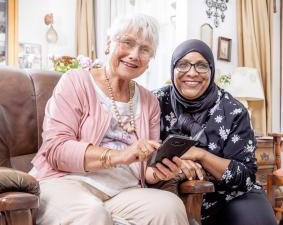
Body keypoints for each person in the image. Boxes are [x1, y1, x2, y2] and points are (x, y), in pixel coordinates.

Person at [30, 13, 189, 225]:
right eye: (127, 43)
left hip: (123, 191)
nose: (134, 55)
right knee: (92, 214)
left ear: (150, 59)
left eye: (144, 49)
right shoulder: (75, 82)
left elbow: (146, 170)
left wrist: (160, 171)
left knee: (170, 207)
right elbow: (56, 149)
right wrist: (120, 156)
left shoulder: (150, 101)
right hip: (67, 182)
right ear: (108, 44)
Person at [153, 39, 277, 225]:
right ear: (173, 69)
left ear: (211, 71)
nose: (192, 72)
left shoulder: (233, 111)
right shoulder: (155, 101)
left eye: (202, 66)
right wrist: (178, 160)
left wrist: (200, 155)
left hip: (229, 194)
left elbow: (244, 176)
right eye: (183, 64)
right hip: (169, 192)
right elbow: (140, 149)